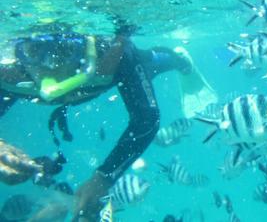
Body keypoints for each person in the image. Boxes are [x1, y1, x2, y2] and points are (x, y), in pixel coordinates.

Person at [0, 29, 215, 221]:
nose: (52, 68)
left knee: (153, 63)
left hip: (121, 69)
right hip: (92, 81)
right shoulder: (7, 71)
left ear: (84, 43)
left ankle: (182, 62)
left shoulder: (112, 52)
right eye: (35, 50)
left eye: (66, 49)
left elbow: (146, 119)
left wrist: (104, 177)